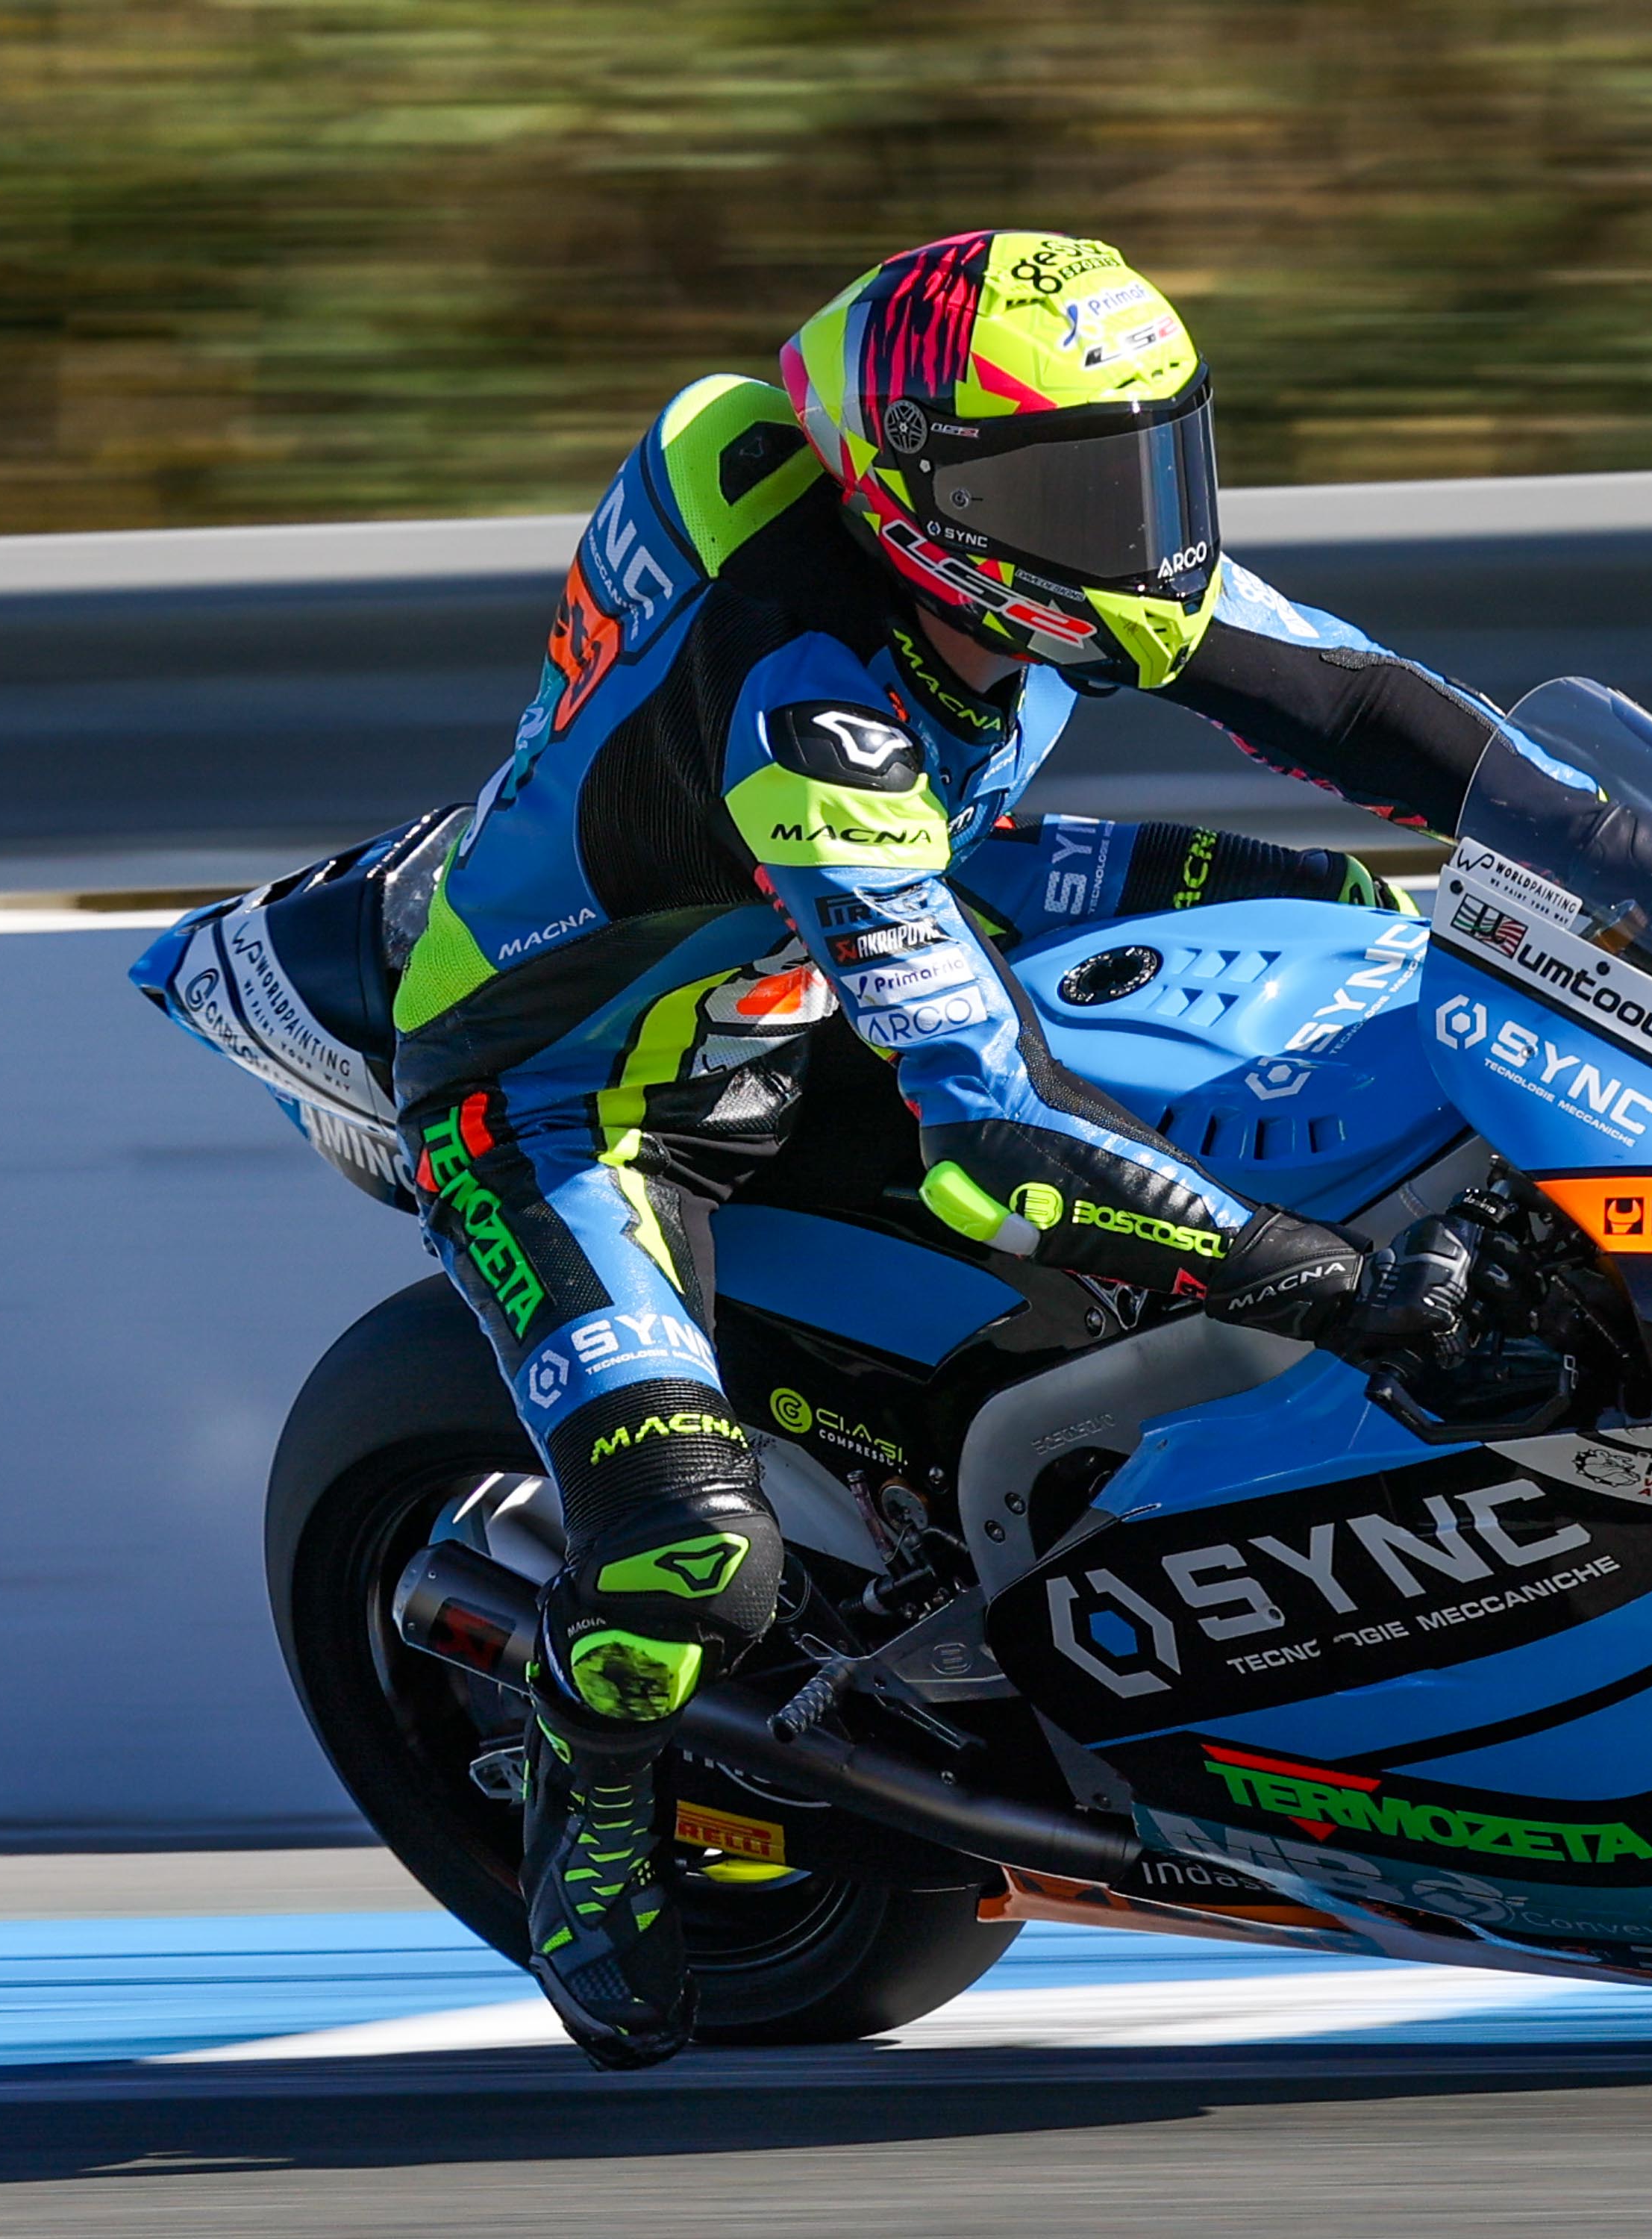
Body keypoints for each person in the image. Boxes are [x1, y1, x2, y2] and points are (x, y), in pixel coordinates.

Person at [390, 231, 1502, 2066]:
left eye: (1154, 465)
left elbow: (1363, 707)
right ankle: (585, 1806)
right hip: (583, 1087)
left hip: (853, 914)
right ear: (916, 498)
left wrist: (1641, 847)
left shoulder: (1039, 565)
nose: (1135, 529)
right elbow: (999, 1140)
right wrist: (1316, 1282)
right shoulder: (804, 694)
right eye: (1076, 488)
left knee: (1348, 915)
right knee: (695, 1557)